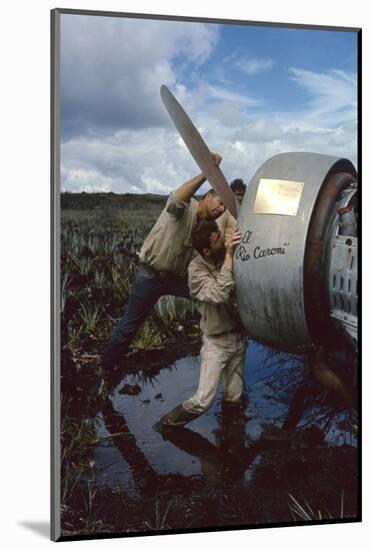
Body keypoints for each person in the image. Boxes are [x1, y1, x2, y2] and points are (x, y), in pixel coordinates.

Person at [101, 153, 225, 368]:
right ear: (206, 197)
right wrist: (206, 173)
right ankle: (106, 369)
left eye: (224, 207)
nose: (221, 209)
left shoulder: (209, 227)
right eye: (219, 202)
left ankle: (221, 349)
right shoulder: (184, 208)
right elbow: (176, 199)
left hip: (178, 279)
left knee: (213, 299)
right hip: (149, 275)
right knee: (129, 325)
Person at [157, 220, 247, 427]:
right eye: (218, 240)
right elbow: (219, 293)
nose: (223, 241)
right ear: (206, 250)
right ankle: (165, 425)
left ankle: (230, 442)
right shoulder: (196, 270)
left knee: (234, 397)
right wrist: (230, 256)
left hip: (239, 339)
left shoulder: (223, 253)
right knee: (203, 401)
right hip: (217, 343)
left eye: (219, 233)